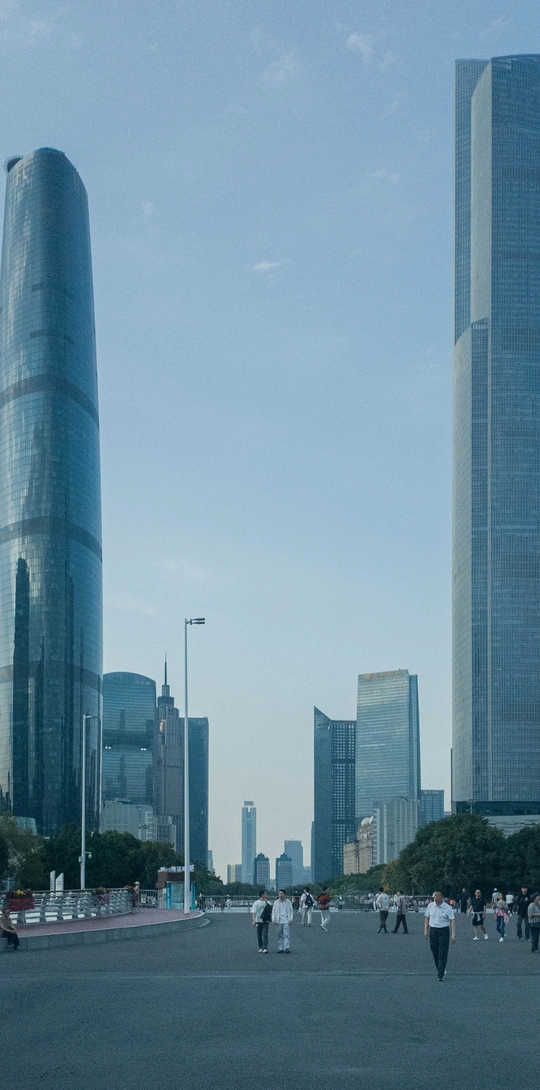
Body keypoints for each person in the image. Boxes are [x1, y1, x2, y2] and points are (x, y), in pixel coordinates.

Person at [424, 891, 456, 981]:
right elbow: (427, 918)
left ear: (442, 897)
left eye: (437, 896)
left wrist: (453, 934)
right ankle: (440, 968)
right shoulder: (430, 906)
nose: (435, 897)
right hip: (433, 930)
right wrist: (425, 930)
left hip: (443, 930)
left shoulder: (447, 908)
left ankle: (440, 974)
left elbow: (452, 921)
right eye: (435, 896)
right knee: (434, 951)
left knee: (443, 952)